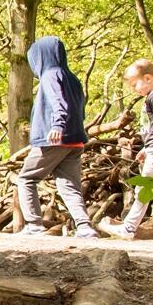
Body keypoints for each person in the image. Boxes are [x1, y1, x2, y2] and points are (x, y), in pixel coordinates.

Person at [14, 36, 99, 238]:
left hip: (54, 139)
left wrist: (58, 126)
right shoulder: (71, 78)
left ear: (40, 57)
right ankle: (84, 226)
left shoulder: (51, 75)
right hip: (75, 140)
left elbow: (60, 102)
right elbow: (79, 107)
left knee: (26, 178)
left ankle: (34, 225)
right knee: (69, 185)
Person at [110, 60, 153, 238]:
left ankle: (129, 227)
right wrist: (146, 149)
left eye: (135, 84)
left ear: (148, 78)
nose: (134, 89)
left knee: (144, 189)